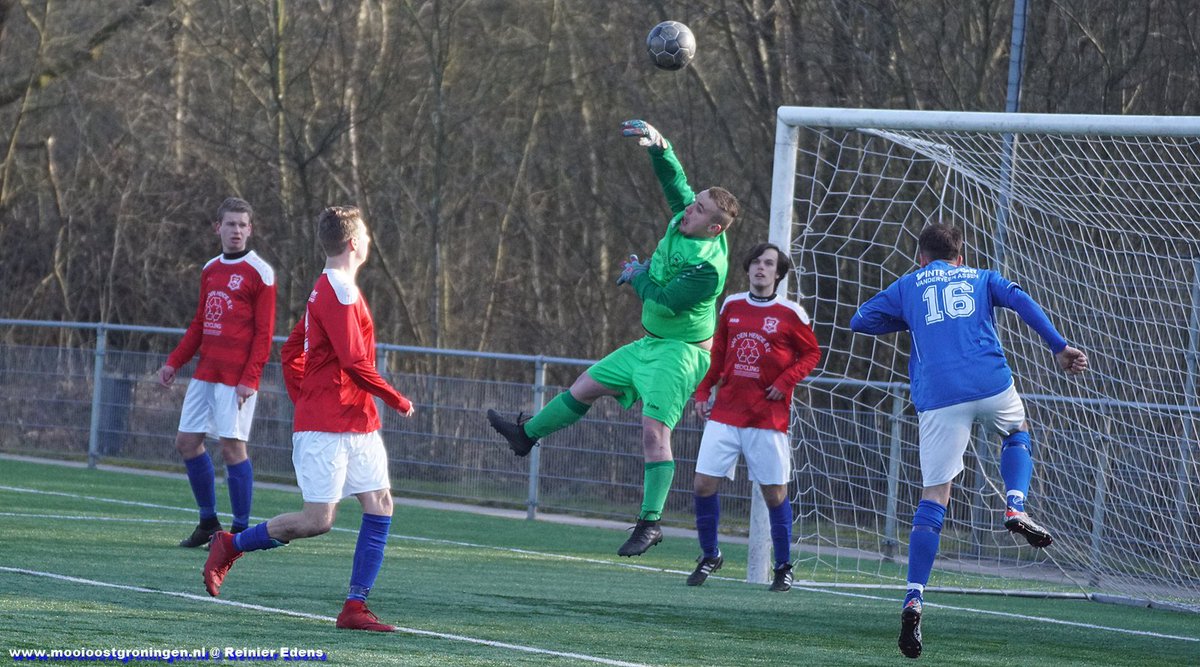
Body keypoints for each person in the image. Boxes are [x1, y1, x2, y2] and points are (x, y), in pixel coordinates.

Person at [487, 119, 739, 557]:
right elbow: (676, 184)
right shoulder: (687, 219)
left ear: (715, 229)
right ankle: (526, 436)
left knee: (653, 432)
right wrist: (660, 147)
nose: (689, 209)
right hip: (651, 344)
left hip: (680, 355)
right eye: (695, 203)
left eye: (699, 210)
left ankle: (651, 522)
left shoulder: (707, 269)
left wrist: (637, 275)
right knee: (585, 386)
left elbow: (664, 299)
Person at [850, 222, 1089, 659]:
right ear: (958, 256)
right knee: (1017, 431)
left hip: (939, 396)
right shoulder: (981, 277)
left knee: (936, 495)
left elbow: (859, 320)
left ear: (921, 258)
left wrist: (907, 319)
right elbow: (1019, 299)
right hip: (990, 381)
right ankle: (1015, 504)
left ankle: (914, 595)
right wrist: (1058, 346)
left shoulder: (909, 284)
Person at [202, 205, 416, 632]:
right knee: (318, 521)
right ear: (354, 242)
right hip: (328, 428)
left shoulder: (329, 288)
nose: (370, 242)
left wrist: (310, 397)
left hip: (358, 422)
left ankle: (355, 606)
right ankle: (230, 544)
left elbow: (291, 351)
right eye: (367, 236)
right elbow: (354, 360)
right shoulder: (335, 290)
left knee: (381, 503)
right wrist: (395, 398)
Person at [687, 242, 821, 591]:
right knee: (703, 484)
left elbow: (811, 354)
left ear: (779, 274)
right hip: (726, 412)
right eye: (756, 262)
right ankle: (710, 555)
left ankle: (783, 566)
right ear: (748, 268)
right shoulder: (731, 306)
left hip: (767, 418)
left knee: (774, 493)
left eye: (769, 264)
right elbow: (717, 356)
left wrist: (785, 380)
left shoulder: (792, 313)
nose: (761, 268)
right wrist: (704, 391)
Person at [158, 197, 276, 548]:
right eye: (230, 224)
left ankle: (239, 533)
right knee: (187, 442)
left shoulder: (260, 272)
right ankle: (209, 522)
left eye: (242, 225)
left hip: (236, 379)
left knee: (231, 449)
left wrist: (250, 379)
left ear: (250, 230)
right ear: (218, 228)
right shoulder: (210, 269)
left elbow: (264, 333)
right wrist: (174, 361)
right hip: (205, 373)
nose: (236, 230)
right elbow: (200, 322)